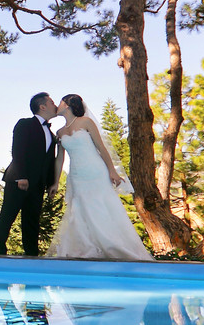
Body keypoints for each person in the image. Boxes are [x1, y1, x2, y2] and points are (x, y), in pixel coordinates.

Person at [46, 94, 152, 260]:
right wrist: (55, 182)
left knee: (100, 207)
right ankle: (86, 249)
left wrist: (112, 171)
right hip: (76, 175)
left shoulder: (86, 122)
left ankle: (112, 245)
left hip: (95, 171)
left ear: (67, 105)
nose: (57, 106)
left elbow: (101, 148)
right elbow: (60, 159)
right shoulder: (60, 132)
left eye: (59, 102)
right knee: (80, 211)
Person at [0, 92, 63, 256]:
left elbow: (49, 160)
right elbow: (18, 150)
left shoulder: (51, 134)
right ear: (42, 106)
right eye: (52, 102)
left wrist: (52, 183)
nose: (55, 105)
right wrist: (21, 176)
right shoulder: (25, 124)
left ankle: (31, 254)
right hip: (18, 180)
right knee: (7, 216)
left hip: (38, 185)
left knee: (32, 221)